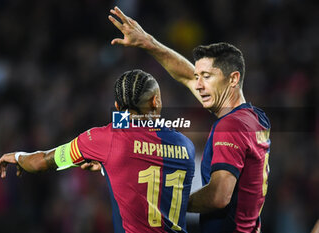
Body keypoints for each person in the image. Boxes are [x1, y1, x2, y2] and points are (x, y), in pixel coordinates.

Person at [109, 7, 271, 233]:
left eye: (207, 77)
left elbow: (218, 196)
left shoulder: (230, 126)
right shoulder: (255, 118)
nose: (198, 85)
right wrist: (148, 42)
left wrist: (168, 204)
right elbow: (186, 76)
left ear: (233, 79)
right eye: (198, 77)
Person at [0, 69, 196, 233]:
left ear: (117, 106)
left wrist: (18, 157)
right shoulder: (186, 146)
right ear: (156, 101)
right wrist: (108, 168)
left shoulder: (104, 138)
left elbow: (41, 162)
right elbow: (154, 172)